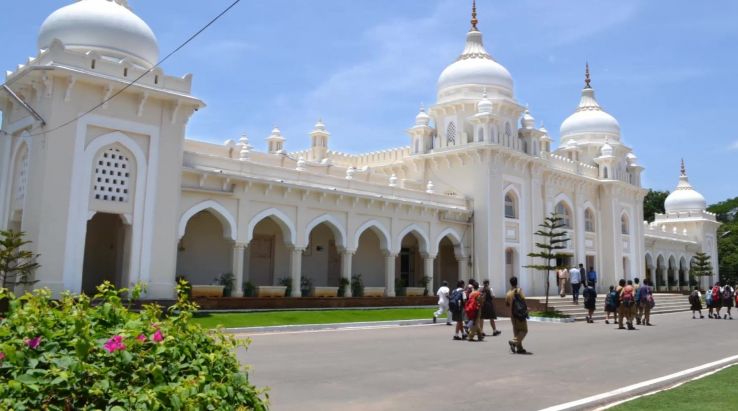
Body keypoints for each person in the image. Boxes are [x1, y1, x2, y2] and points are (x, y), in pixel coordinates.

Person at [505, 276, 529, 354]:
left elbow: (507, 304)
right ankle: (514, 342)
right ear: (517, 282)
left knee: (517, 331)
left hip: (512, 315)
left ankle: (519, 348)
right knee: (524, 330)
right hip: (520, 314)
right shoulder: (519, 291)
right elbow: (523, 301)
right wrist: (526, 310)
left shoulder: (508, 293)